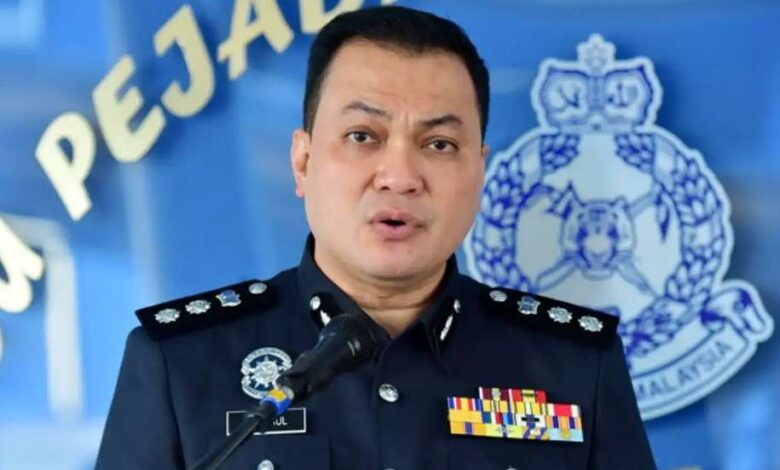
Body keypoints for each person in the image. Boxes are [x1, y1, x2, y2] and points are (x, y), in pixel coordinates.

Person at [96, 6, 655, 469]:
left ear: (479, 172)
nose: (401, 176)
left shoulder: (576, 365)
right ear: (303, 162)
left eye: (439, 145)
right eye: (363, 135)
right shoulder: (180, 364)